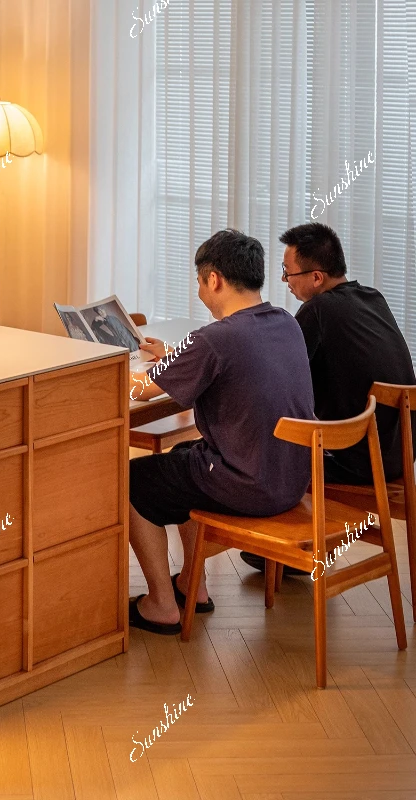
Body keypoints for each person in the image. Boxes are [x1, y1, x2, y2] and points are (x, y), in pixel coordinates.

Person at [128, 229, 314, 634]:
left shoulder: (215, 339)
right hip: (292, 478)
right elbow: (232, 364)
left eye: (199, 281)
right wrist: (177, 357)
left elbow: (143, 392)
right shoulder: (285, 322)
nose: (199, 291)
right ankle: (194, 588)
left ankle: (161, 605)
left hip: (249, 485)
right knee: (183, 459)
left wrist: (110, 367)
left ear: (214, 279)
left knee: (129, 482)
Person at [241, 222, 416, 575]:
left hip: (362, 460)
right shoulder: (372, 297)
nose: (285, 281)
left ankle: (289, 552)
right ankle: (304, 551)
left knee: (272, 451)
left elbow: (277, 375)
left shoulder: (317, 312)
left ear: (317, 277)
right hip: (402, 452)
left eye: (289, 273)